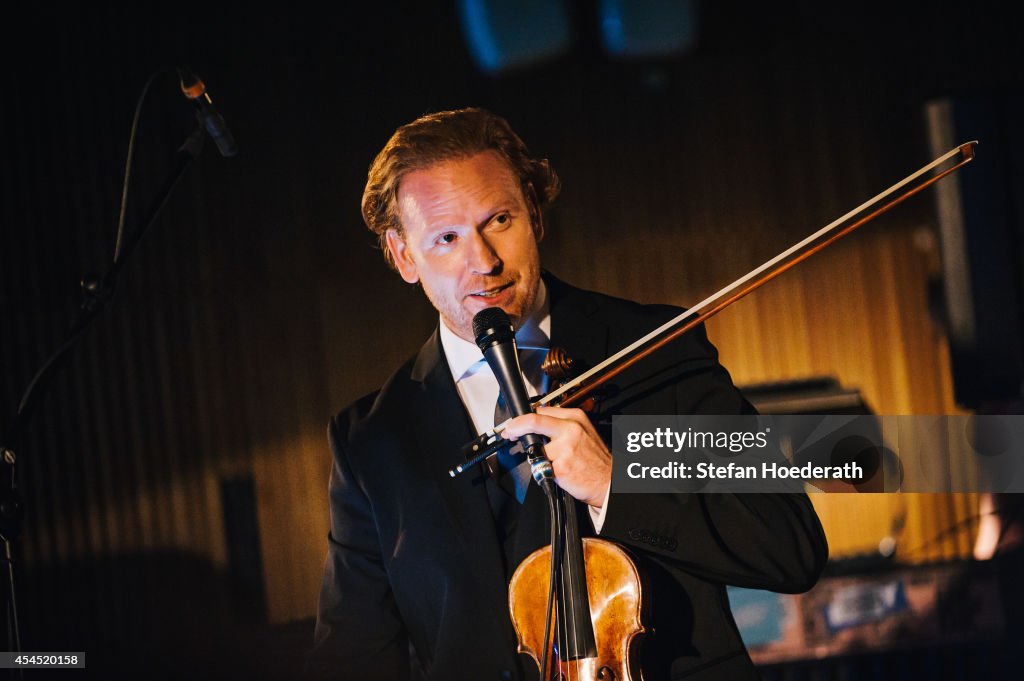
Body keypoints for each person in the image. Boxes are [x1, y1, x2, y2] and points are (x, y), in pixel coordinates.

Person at [310, 108, 828, 681]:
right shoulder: (374, 441)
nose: (482, 262)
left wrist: (614, 482)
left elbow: (788, 544)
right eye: (447, 238)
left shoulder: (653, 353)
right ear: (404, 254)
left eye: (499, 219)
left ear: (533, 208)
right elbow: (353, 655)